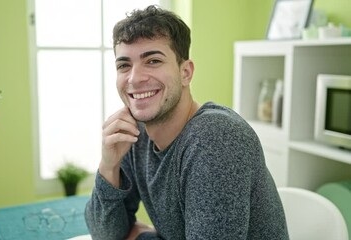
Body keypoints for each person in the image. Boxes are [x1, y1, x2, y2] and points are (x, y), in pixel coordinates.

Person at [85, 5, 289, 240]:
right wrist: (108, 165)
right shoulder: (135, 133)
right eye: (124, 65)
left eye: (152, 61)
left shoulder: (216, 138)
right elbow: (105, 234)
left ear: (186, 73)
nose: (134, 77)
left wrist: (139, 237)